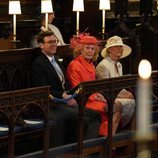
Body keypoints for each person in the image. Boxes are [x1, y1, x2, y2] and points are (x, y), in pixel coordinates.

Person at [31, 31, 101, 146]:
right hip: (53, 105)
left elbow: (67, 83)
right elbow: (42, 89)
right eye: (50, 42)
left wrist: (69, 94)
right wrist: (63, 95)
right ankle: (82, 150)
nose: (54, 44)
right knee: (87, 118)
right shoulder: (39, 63)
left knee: (95, 115)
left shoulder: (57, 60)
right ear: (41, 45)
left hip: (66, 100)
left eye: (55, 41)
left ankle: (86, 149)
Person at [67, 34, 122, 136]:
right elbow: (78, 89)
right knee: (113, 108)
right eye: (87, 48)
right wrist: (96, 97)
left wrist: (100, 95)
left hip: (92, 97)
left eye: (92, 49)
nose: (90, 51)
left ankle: (108, 140)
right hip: (83, 100)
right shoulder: (74, 65)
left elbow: (94, 86)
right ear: (80, 49)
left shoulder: (91, 65)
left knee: (117, 106)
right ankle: (105, 140)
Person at [96, 35, 135, 127]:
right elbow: (105, 88)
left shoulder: (119, 65)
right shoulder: (103, 65)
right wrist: (126, 96)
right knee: (133, 100)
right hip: (106, 96)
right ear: (109, 50)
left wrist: (128, 94)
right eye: (116, 46)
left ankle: (132, 135)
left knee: (136, 98)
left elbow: (120, 85)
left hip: (116, 93)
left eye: (121, 46)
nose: (120, 49)